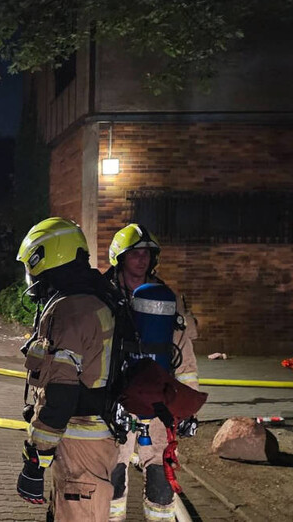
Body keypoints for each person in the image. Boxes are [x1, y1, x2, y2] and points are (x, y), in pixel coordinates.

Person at [16, 217, 119, 522]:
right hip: (90, 438)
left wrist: (36, 460)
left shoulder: (71, 309)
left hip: (80, 439)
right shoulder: (91, 298)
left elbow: (61, 392)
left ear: (44, 257)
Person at [104, 224, 200, 522]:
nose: (142, 259)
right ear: (120, 257)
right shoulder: (104, 297)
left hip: (158, 398)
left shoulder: (164, 299)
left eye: (146, 253)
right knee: (112, 471)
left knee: (160, 471)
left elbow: (183, 353)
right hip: (114, 399)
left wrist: (188, 409)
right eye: (135, 253)